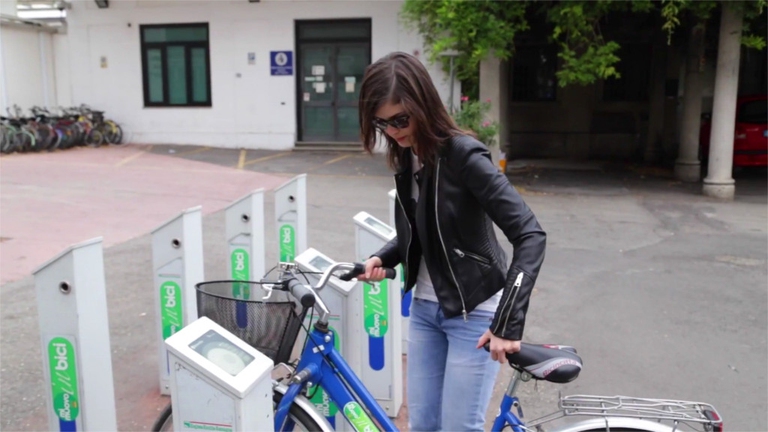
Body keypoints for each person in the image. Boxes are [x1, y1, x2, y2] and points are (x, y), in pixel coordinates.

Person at [356, 51, 547, 432]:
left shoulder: (463, 155)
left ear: (423, 105)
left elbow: (530, 234)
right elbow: (427, 226)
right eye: (382, 123)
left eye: (401, 119)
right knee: (423, 426)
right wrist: (385, 256)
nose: (393, 131)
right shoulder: (408, 157)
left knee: (460, 428)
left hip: (474, 317)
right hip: (426, 313)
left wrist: (508, 322)